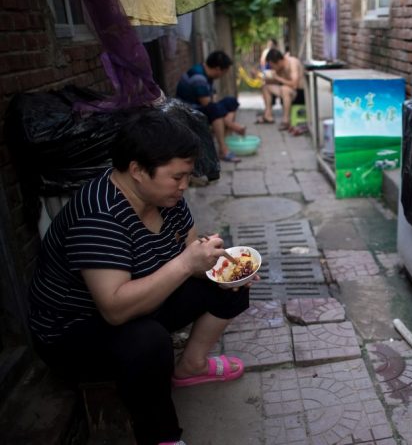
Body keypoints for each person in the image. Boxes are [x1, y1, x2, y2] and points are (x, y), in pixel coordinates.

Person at [28, 110, 253, 445]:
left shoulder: (167, 197)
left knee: (229, 281)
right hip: (74, 331)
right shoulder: (99, 215)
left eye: (187, 176)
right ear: (136, 170)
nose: (183, 186)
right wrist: (185, 265)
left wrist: (221, 267)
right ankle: (162, 435)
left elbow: (190, 248)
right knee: (148, 341)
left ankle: (191, 365)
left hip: (143, 298)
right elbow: (115, 309)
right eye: (176, 177)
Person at [176, 50, 245, 163]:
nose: (224, 75)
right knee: (215, 110)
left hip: (202, 106)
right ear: (218, 69)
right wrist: (232, 124)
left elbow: (214, 98)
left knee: (231, 102)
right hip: (188, 110)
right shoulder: (198, 77)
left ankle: (225, 138)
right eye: (224, 72)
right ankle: (223, 150)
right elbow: (207, 103)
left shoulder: (208, 75)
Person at [258, 48, 305, 130]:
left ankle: (286, 120)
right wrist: (263, 77)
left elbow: (294, 84)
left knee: (284, 89)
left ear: (278, 62)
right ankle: (268, 116)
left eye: (272, 65)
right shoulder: (279, 68)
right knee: (266, 87)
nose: (272, 67)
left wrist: (277, 78)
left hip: (300, 93)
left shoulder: (292, 63)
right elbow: (276, 81)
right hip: (289, 92)